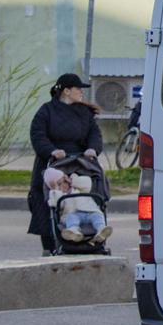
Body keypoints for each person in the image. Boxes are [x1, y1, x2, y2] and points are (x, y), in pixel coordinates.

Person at [28, 74, 104, 254]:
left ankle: (90, 236)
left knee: (85, 194)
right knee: (48, 202)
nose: (81, 92)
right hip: (52, 164)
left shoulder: (83, 113)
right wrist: (51, 150)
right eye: (78, 89)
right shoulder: (46, 111)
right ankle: (49, 244)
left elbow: (95, 134)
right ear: (66, 91)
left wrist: (93, 149)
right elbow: (38, 135)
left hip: (79, 164)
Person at [45, 166, 112, 244]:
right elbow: (55, 204)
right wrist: (56, 191)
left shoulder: (77, 188)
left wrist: (72, 181)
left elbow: (87, 184)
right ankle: (73, 231)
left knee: (97, 216)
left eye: (64, 181)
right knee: (70, 218)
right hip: (73, 214)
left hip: (89, 211)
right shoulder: (60, 195)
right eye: (59, 184)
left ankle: (101, 229)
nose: (63, 185)